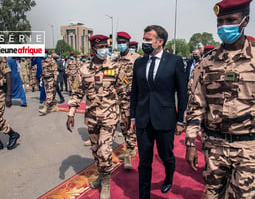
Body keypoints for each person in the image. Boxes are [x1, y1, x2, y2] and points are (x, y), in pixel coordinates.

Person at [185, 0, 255, 198]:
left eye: (231, 20)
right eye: (220, 22)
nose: (225, 26)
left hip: (249, 148)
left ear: (245, 21)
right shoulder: (207, 62)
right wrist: (191, 143)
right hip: (214, 146)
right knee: (211, 194)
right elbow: (195, 104)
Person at [66, 35, 129, 199]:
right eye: (100, 46)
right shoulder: (84, 69)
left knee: (104, 151)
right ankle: (101, 176)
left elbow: (124, 92)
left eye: (105, 46)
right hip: (92, 118)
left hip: (110, 117)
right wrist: (71, 113)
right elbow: (77, 92)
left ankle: (106, 182)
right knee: (95, 151)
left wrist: (126, 116)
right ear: (93, 48)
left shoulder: (116, 66)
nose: (103, 49)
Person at [130, 25, 188, 198]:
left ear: (160, 42)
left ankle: (169, 176)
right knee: (144, 162)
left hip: (165, 119)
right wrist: (132, 116)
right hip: (143, 120)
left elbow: (183, 93)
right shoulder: (139, 62)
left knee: (166, 155)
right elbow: (135, 92)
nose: (144, 42)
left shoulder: (174, 61)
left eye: (148, 39)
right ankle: (144, 195)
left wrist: (180, 120)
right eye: (144, 38)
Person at [116, 31, 140, 169]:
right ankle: (130, 145)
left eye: (122, 42)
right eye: (118, 42)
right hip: (119, 98)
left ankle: (131, 148)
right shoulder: (115, 60)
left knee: (128, 122)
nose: (120, 45)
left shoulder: (136, 58)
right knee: (123, 124)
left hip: (131, 98)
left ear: (128, 43)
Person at [38, 49, 58, 115]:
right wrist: (41, 79)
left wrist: (55, 80)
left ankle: (45, 108)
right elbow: (43, 71)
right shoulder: (42, 61)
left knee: (49, 93)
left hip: (51, 79)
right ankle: (55, 106)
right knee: (50, 92)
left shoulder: (51, 60)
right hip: (45, 79)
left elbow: (55, 70)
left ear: (46, 53)